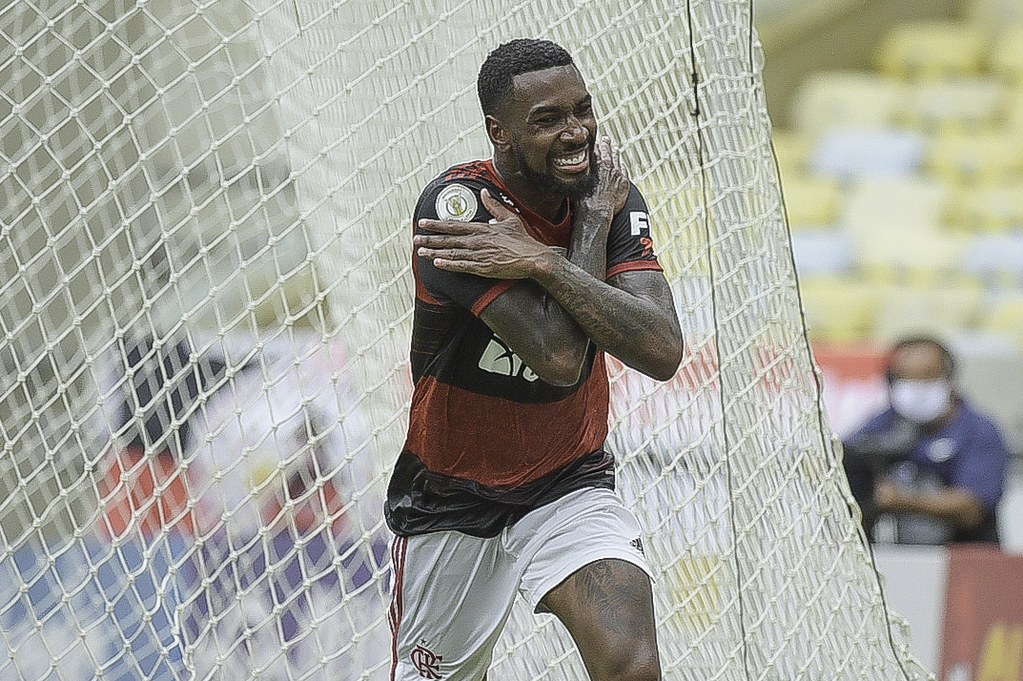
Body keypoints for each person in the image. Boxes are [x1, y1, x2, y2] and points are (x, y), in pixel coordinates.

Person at [384, 38, 684, 680]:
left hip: (566, 480)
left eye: (583, 110)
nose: (575, 132)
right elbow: (560, 356)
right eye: (548, 119)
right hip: (453, 494)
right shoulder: (460, 211)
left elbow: (661, 349)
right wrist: (578, 242)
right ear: (500, 132)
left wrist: (550, 257)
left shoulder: (605, 199)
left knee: (632, 666)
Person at [842, 335, 1010, 545]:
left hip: (963, 554)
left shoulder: (979, 431)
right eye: (906, 378)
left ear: (949, 379)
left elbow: (971, 510)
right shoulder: (884, 423)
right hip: (893, 554)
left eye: (928, 377)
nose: (917, 388)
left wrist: (903, 500)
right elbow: (843, 458)